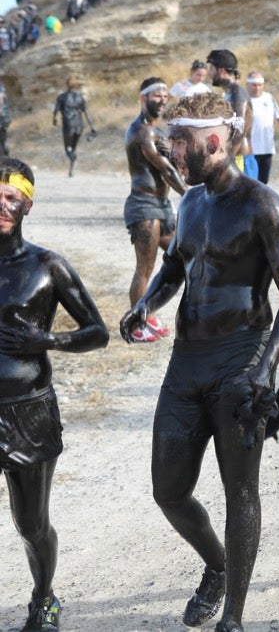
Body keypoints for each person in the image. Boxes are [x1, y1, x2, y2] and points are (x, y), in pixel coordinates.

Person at [120, 92, 279, 632]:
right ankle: (218, 566)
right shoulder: (192, 203)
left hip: (240, 359)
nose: (171, 149)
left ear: (216, 142)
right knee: (168, 490)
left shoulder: (264, 206)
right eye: (171, 139)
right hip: (187, 361)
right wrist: (144, 304)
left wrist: (266, 366)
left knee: (240, 491)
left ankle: (234, 618)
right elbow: (174, 269)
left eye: (181, 141)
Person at [0, 157, 109, 632]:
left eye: (12, 197)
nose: (2, 205)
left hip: (29, 411)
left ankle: (44, 600)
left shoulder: (47, 266)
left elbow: (97, 332)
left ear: (28, 205)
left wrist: (47, 340)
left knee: (31, 524)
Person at [124, 78, 188, 343]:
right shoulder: (141, 131)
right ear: (143, 98)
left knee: (184, 256)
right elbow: (168, 170)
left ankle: (148, 315)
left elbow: (175, 157)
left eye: (165, 95)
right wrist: (191, 195)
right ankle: (136, 324)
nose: (162, 100)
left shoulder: (157, 131)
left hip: (163, 206)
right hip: (144, 205)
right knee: (145, 268)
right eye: (156, 96)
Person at [206, 49, 254, 176]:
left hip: (240, 160)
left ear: (221, 70)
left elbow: (239, 129)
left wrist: (225, 161)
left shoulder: (237, 93)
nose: (209, 73)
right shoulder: (228, 94)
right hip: (234, 158)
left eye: (211, 69)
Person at [52, 76, 96, 178]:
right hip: (79, 125)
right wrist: (92, 126)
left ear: (66, 85)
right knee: (74, 148)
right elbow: (86, 112)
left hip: (68, 125)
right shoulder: (80, 97)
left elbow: (55, 111)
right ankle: (71, 169)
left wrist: (54, 120)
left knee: (68, 149)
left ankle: (73, 160)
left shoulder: (61, 97)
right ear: (76, 85)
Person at [246, 71, 279, 184]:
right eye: (254, 85)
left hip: (267, 147)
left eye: (260, 85)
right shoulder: (243, 99)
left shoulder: (269, 98)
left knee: (264, 181)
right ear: (248, 85)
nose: (257, 88)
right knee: (251, 181)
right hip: (250, 149)